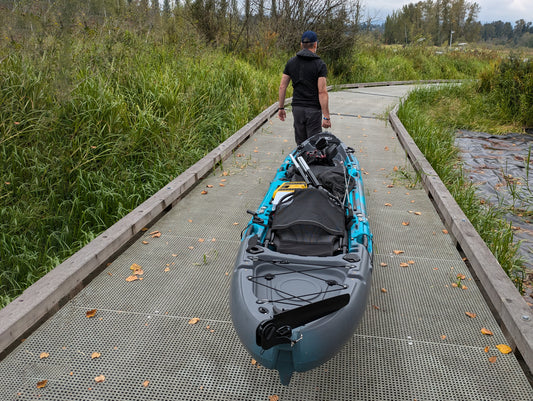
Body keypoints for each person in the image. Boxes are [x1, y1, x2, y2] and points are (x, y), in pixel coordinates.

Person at [278, 30, 331, 145]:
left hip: (297, 108)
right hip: (313, 110)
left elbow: (282, 86)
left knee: (301, 144)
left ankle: (300, 161)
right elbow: (322, 92)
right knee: (314, 145)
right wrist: (326, 116)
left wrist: (281, 108)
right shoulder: (319, 64)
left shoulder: (291, 62)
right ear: (315, 44)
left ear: (301, 44)